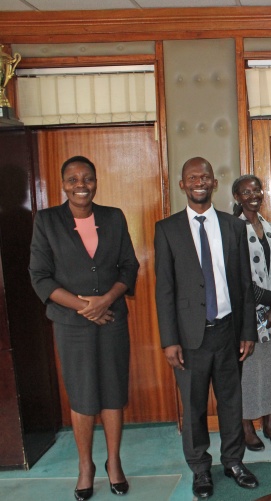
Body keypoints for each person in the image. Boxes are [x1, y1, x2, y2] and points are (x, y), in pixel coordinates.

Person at [29, 156, 139, 501]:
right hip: (71, 325)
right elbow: (40, 277)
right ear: (63, 184)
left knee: (112, 391)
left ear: (96, 181)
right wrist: (86, 307)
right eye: (74, 179)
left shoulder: (113, 217)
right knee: (83, 394)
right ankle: (85, 467)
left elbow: (128, 266)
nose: (81, 184)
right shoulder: (47, 221)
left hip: (112, 321)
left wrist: (106, 300)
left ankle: (115, 463)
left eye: (87, 178)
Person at [154, 157, 259, 498]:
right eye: (192, 177)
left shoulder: (234, 226)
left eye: (205, 176)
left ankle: (233, 461)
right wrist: (169, 340)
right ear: (182, 184)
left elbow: (244, 284)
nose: (199, 181)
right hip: (188, 338)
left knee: (231, 402)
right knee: (194, 405)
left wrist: (248, 332)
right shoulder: (167, 229)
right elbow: (164, 288)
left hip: (228, 331)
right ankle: (200, 469)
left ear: (215, 183)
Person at [231, 174, 271, 451]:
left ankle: (269, 424)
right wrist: (270, 301)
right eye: (245, 192)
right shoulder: (232, 229)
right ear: (237, 198)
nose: (252, 195)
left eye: (256, 190)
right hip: (246, 315)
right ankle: (246, 426)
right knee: (249, 371)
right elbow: (238, 278)